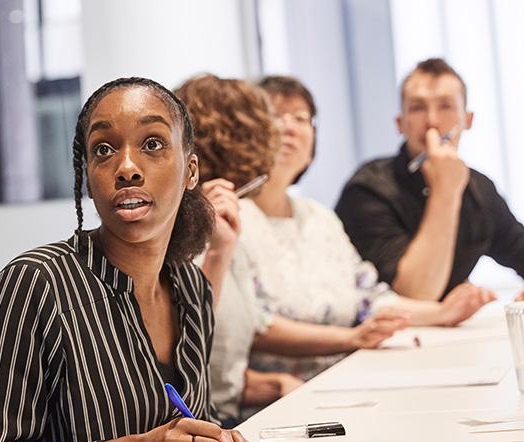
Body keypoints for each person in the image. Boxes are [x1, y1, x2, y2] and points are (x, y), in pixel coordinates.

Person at [0, 77, 258, 442]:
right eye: (104, 150)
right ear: (89, 177)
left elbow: (191, 422)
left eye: (152, 144)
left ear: (191, 171)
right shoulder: (35, 284)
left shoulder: (191, 287)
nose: (127, 168)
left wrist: (210, 439)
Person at [176, 74, 493, 422]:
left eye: (301, 118)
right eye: (276, 117)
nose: (289, 129)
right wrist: (351, 338)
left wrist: (441, 313)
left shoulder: (319, 217)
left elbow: (368, 296)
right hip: (276, 405)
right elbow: (254, 324)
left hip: (346, 383)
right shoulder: (228, 216)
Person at [335, 58, 524, 301]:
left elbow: (521, 251)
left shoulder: (480, 189)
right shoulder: (368, 190)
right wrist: (445, 191)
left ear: (467, 120)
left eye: (446, 106)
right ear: (400, 124)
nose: (432, 123)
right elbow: (415, 295)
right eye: (417, 108)